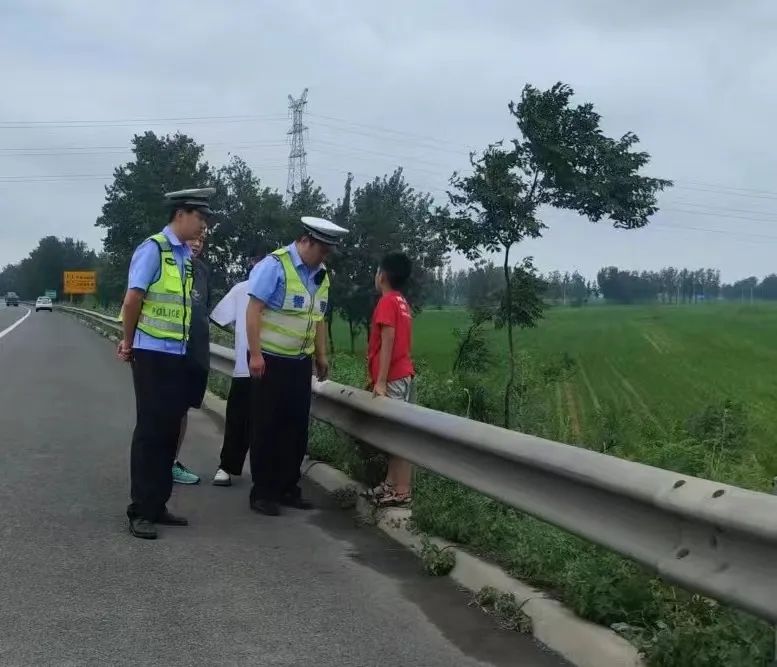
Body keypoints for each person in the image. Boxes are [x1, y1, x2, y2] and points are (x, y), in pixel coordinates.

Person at [118, 187, 215, 539]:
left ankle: (158, 504)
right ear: (181, 214)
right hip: (152, 354)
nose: (203, 226)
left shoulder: (185, 256)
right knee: (151, 432)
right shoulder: (154, 249)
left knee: (169, 431)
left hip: (177, 355)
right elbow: (133, 300)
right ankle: (140, 510)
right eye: (200, 218)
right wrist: (129, 342)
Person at [246, 216, 347, 516]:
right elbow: (253, 311)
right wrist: (255, 355)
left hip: (300, 363)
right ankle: (263, 492)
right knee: (267, 427)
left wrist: (321, 355)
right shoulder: (274, 266)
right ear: (305, 241)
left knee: (295, 428)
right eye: (322, 250)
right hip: (270, 360)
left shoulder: (321, 275)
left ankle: (288, 487)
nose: (324, 257)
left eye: (328, 252)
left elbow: (318, 318)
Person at [209, 243, 267, 486]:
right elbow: (219, 317)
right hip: (246, 365)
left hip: (277, 366)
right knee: (238, 420)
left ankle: (266, 475)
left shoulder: (283, 291)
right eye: (258, 261)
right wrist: (240, 335)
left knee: (269, 424)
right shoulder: (241, 289)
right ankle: (227, 466)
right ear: (252, 264)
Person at [366, 252, 415, 506]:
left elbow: (388, 340)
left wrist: (381, 380)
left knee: (397, 435)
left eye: (377, 271)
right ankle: (390, 484)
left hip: (394, 376)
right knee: (395, 433)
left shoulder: (386, 302)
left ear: (382, 276)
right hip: (402, 374)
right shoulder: (401, 301)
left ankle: (402, 491)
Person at [171, 224, 211, 485]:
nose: (197, 243)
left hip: (195, 352)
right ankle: (156, 463)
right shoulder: (166, 264)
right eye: (194, 238)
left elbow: (204, 310)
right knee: (164, 409)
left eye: (202, 239)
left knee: (183, 409)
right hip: (167, 351)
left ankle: (172, 462)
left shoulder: (203, 271)